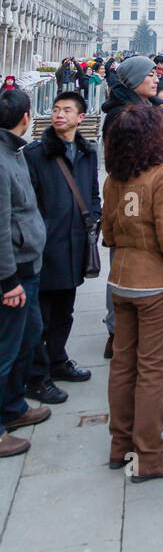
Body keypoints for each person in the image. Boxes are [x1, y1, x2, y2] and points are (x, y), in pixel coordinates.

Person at [102, 102, 163, 482]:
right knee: (153, 368)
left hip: (121, 280)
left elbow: (108, 233)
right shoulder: (162, 175)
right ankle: (148, 455)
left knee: (123, 364)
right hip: (156, 284)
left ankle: (120, 446)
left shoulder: (114, 177)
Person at [23, 92, 100, 402]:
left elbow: (93, 192)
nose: (59, 115)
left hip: (74, 243)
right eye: (56, 110)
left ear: (80, 117)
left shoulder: (87, 151)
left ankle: (57, 360)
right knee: (39, 316)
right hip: (45, 245)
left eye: (67, 110)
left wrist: (93, 216)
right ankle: (36, 377)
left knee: (65, 311)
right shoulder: (36, 154)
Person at [0, 89, 50, 458]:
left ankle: (14, 407)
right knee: (5, 349)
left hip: (27, 262)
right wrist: (7, 280)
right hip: (12, 271)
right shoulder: (2, 161)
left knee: (26, 337)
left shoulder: (14, 151)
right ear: (26, 117)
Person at [101, 56, 161, 142]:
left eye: (156, 75)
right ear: (134, 78)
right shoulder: (121, 115)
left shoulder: (148, 107)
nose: (157, 80)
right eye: (151, 75)